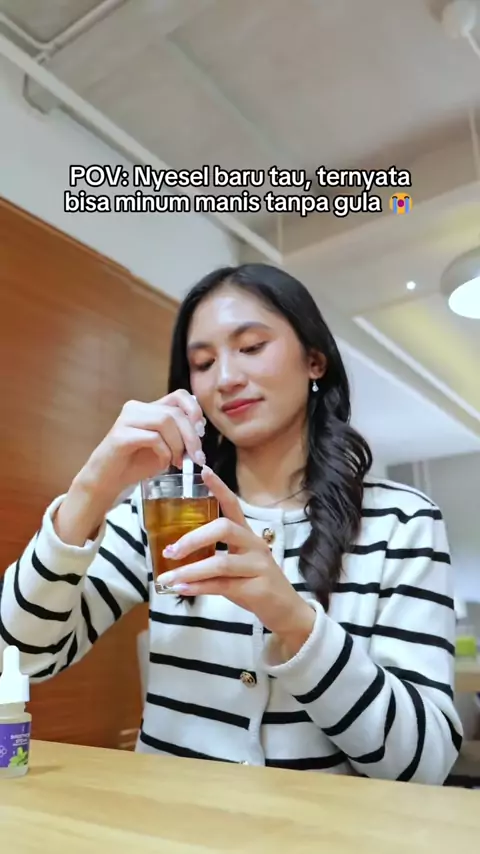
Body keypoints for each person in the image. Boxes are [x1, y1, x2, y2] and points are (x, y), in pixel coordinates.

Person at [0, 263, 462, 783]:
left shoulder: (401, 522)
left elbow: (423, 766)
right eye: (203, 362)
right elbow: (21, 654)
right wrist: (91, 489)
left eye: (251, 347)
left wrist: (293, 619)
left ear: (314, 360)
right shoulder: (165, 512)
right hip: (170, 819)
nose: (225, 379)